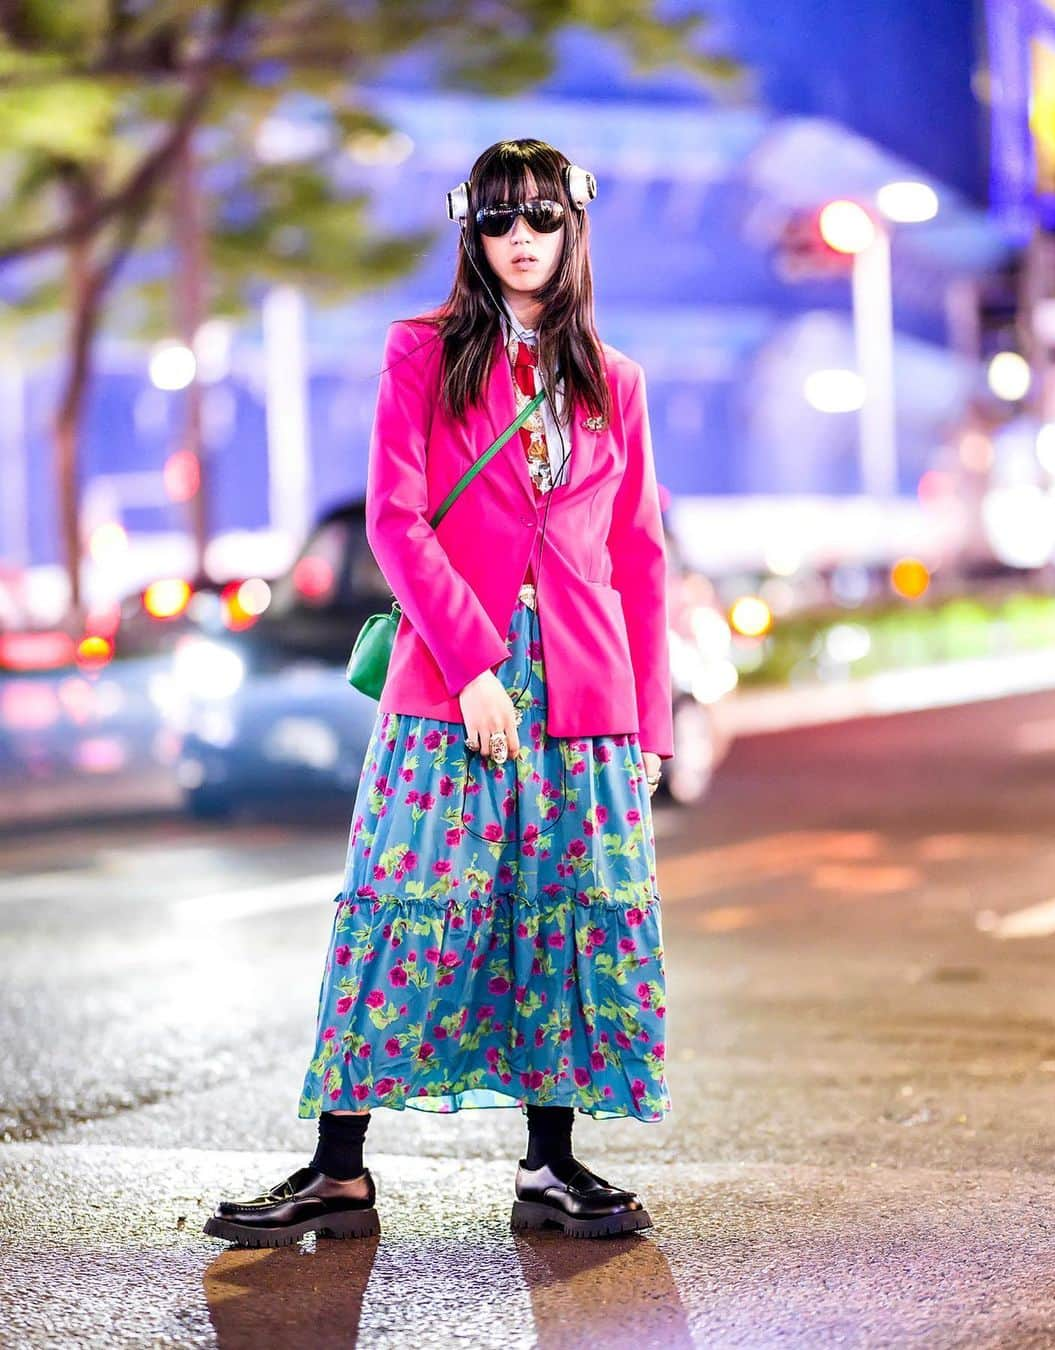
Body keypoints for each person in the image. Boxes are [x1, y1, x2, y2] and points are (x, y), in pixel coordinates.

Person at [204, 138, 674, 1248]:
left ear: (573, 227)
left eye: (542, 218)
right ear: (473, 231)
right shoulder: (421, 352)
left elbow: (640, 555)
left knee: (561, 909)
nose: (522, 239)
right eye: (501, 220)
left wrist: (647, 721)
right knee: (402, 900)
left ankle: (553, 1163)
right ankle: (338, 1167)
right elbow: (395, 520)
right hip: (449, 683)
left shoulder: (617, 381)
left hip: (585, 689)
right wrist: (471, 667)